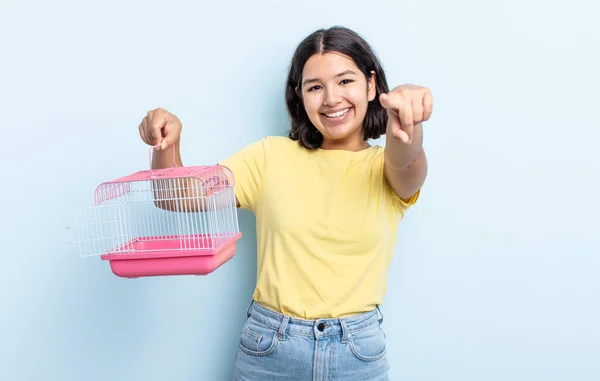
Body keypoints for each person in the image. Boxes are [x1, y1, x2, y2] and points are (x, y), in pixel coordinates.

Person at [138, 26, 432, 381]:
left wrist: (406, 122)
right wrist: (167, 143)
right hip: (270, 349)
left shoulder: (384, 168)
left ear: (371, 86)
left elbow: (406, 159)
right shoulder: (269, 158)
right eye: (315, 87)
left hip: (357, 352)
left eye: (345, 81)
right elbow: (174, 195)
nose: (331, 99)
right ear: (300, 95)